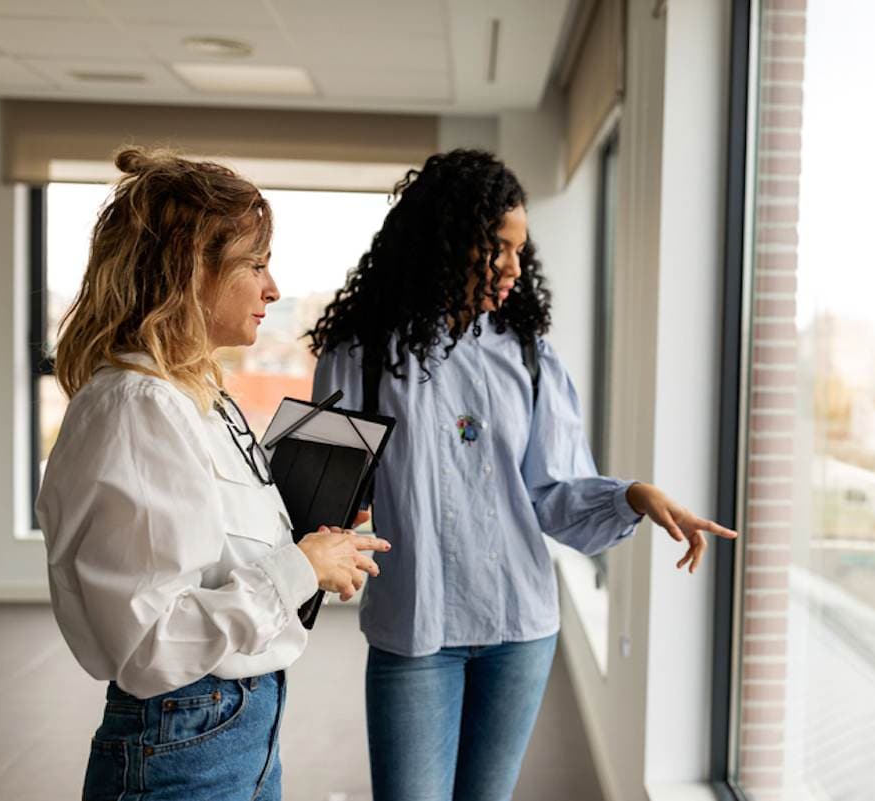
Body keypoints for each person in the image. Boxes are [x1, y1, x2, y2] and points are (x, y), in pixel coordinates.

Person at [309, 149, 737, 801]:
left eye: (519, 250)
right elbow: (320, 499)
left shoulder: (528, 355)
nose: (514, 267)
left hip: (519, 627)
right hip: (415, 625)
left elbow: (554, 495)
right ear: (446, 242)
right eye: (496, 249)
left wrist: (633, 495)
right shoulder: (359, 358)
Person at [37, 148, 389, 801]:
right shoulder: (139, 407)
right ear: (190, 268)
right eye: (256, 264)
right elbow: (147, 641)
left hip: (233, 726)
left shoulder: (192, 394)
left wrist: (315, 543)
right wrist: (298, 570)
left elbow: (214, 546)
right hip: (187, 737)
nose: (274, 288)